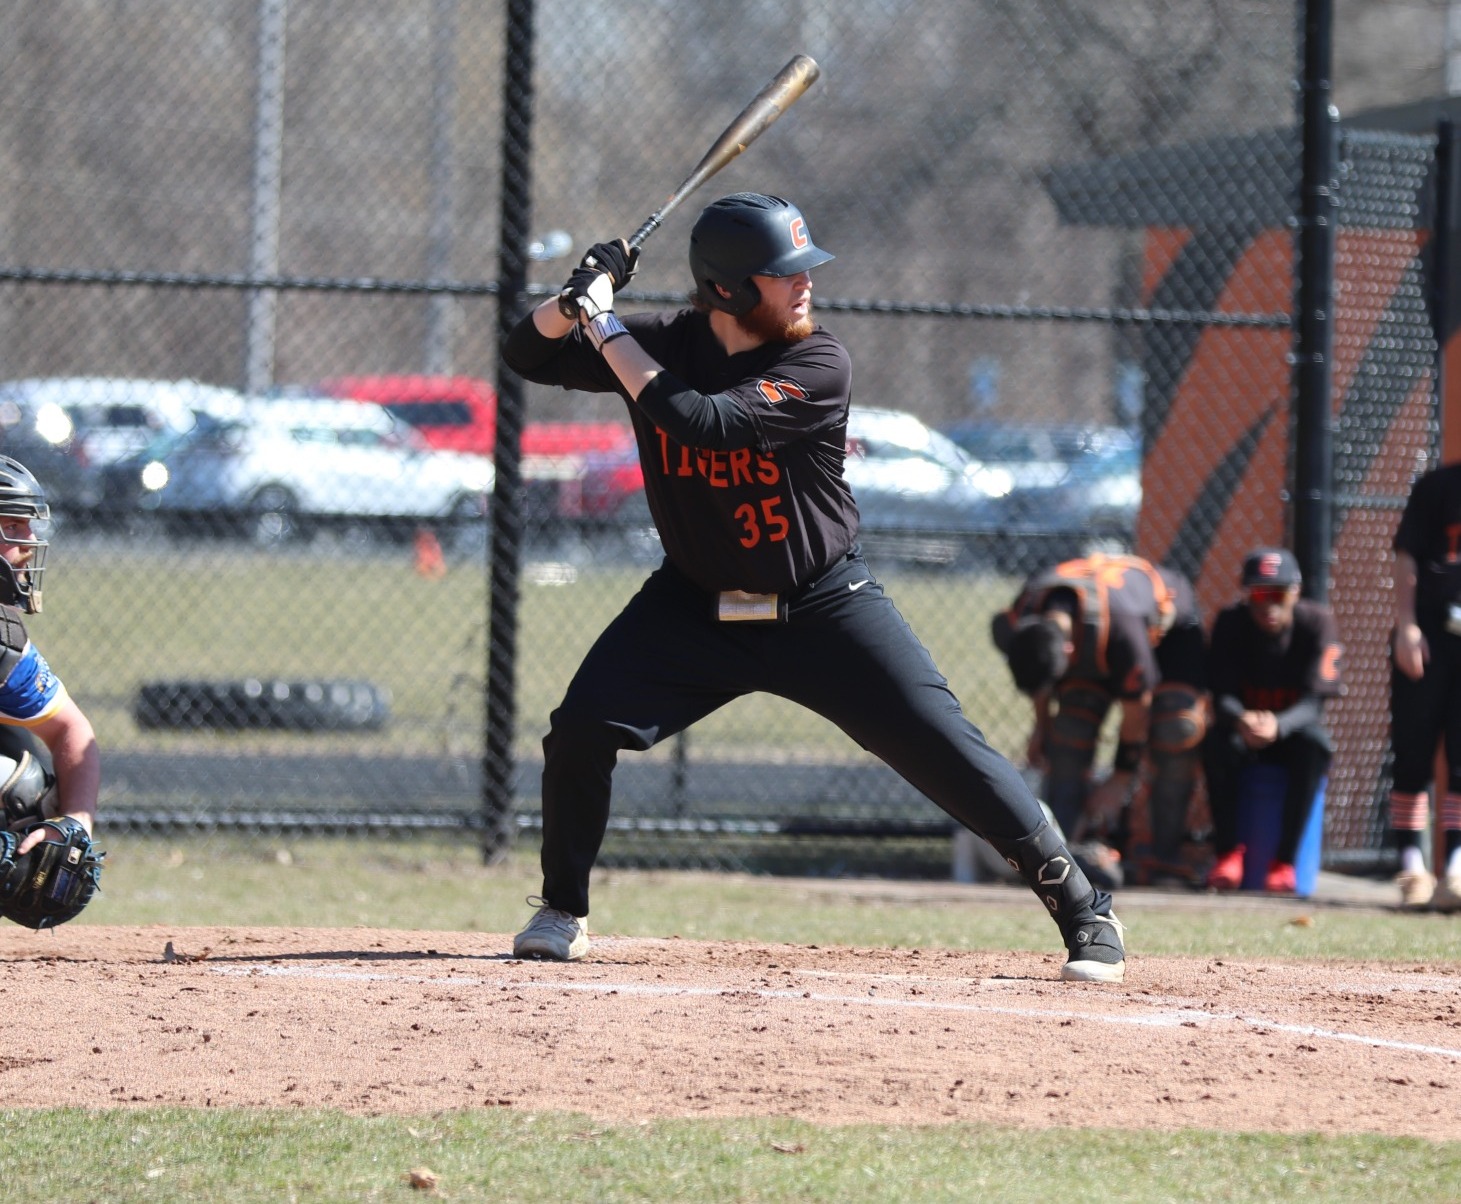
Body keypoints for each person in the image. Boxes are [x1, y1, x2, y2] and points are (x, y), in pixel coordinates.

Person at [500, 191, 1125, 982]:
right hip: (692, 606)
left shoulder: (817, 361)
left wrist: (604, 324)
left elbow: (704, 421)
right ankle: (562, 909)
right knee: (582, 727)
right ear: (727, 290)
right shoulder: (664, 343)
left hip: (821, 605)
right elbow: (526, 354)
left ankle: (1082, 908)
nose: (804, 286)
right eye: (782, 274)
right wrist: (572, 301)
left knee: (948, 751)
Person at [991, 553, 1208, 888]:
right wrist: (1041, 728)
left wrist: (1119, 780)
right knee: (1067, 732)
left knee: (1176, 729)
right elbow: (1039, 672)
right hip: (1093, 636)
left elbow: (1138, 711)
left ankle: (1163, 858)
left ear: (1067, 652)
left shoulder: (1123, 630)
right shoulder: (1027, 610)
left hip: (1167, 637)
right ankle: (1059, 858)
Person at [1202, 548, 1343, 893]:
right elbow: (1220, 695)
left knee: (1315, 746)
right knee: (1215, 743)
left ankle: (1285, 862)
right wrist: (1242, 718)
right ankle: (1228, 855)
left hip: (1291, 733)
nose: (1268, 605)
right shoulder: (1231, 622)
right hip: (1243, 731)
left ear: (1295, 592)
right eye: (1259, 594)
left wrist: (1278, 725)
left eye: (1277, 594)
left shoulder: (1317, 623)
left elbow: (1315, 702)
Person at [0, 456, 102, 890]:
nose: (30, 540)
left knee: (20, 782)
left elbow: (72, 733)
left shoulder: (4, 647)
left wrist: (74, 822)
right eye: (13, 526)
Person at [1388, 461, 1461, 912]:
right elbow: (1407, 556)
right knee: (1413, 750)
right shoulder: (1438, 485)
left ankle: (1455, 866)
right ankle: (1411, 864)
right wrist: (1407, 626)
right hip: (1431, 637)